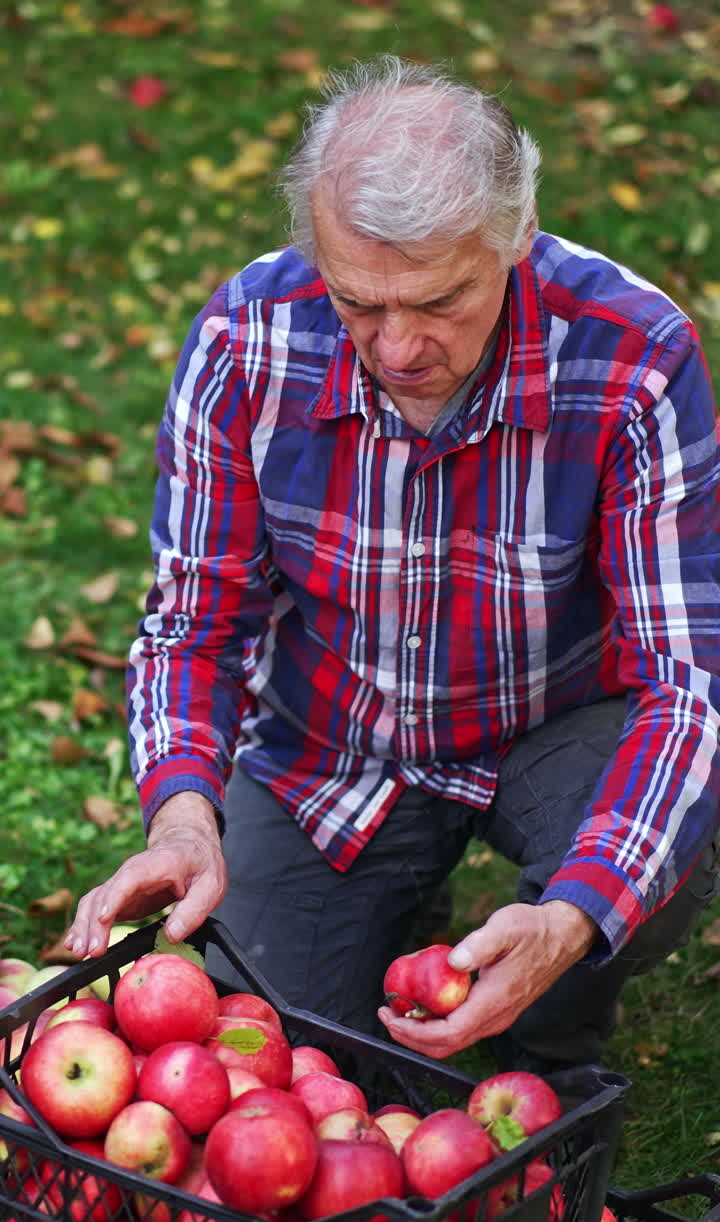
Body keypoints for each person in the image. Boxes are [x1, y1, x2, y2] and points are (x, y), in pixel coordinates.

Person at [65, 56, 720, 1074]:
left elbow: (684, 685)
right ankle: (392, 897)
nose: (399, 345)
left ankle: (546, 1023)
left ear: (517, 238)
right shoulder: (247, 341)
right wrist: (185, 811)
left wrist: (579, 910)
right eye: (358, 303)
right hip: (337, 743)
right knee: (274, 1035)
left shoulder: (635, 355)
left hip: (551, 729)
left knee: (653, 859)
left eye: (442, 300)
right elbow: (195, 626)